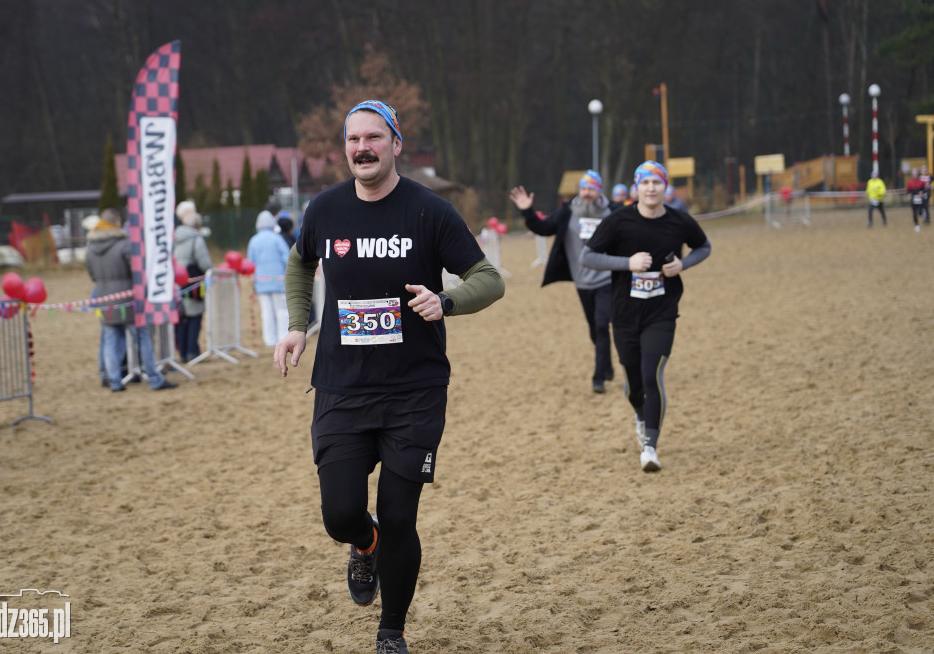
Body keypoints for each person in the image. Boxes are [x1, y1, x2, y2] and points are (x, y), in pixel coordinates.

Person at [273, 99, 504, 654]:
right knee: (341, 514)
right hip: (342, 388)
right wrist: (298, 323)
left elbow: (489, 278)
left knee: (402, 516)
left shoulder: (429, 211)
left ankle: (391, 632)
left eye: (374, 137)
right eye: (353, 140)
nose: (363, 148)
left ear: (396, 144)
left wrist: (444, 300)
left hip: (414, 392)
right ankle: (363, 543)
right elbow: (301, 261)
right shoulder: (325, 210)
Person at [581, 160, 711, 472]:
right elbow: (589, 256)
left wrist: (684, 264)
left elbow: (703, 247)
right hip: (625, 313)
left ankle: (650, 447)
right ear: (637, 188)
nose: (651, 189)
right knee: (634, 382)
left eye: (657, 183)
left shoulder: (680, 221)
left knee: (653, 374)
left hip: (662, 311)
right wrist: (628, 263)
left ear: (665, 187)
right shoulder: (618, 221)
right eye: (645, 183)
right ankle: (640, 416)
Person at [510, 169, 614, 393]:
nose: (587, 193)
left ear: (599, 191)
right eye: (584, 188)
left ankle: (598, 377)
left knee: (601, 325)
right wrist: (528, 211)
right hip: (582, 281)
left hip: (607, 278)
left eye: (592, 189)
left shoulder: (611, 211)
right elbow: (544, 228)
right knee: (594, 329)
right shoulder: (568, 211)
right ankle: (606, 364)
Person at [86, 208, 178, 392]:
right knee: (142, 339)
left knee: (111, 341)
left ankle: (114, 381)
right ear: (117, 223)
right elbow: (136, 272)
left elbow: (92, 275)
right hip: (128, 300)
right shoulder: (125, 244)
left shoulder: (90, 248)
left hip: (105, 299)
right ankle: (154, 378)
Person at [174, 200, 213, 362]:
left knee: (182, 319)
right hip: (193, 286)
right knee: (195, 318)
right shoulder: (197, 239)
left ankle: (182, 352)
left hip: (178, 284)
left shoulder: (174, 238)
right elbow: (204, 263)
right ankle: (192, 352)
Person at [246, 209, 290, 348]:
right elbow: (287, 258)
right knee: (282, 311)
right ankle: (283, 338)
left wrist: (253, 281)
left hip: (261, 283)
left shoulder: (253, 241)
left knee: (266, 312)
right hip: (279, 282)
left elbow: (250, 264)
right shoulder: (277, 239)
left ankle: (269, 340)